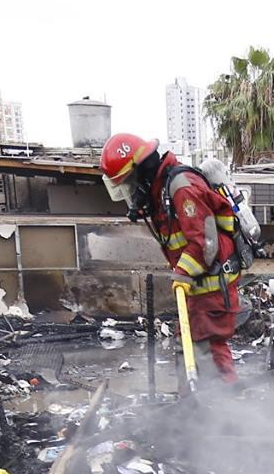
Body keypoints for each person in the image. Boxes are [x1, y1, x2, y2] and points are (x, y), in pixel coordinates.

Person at [100, 133, 243, 384]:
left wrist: (183, 272)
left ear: (140, 171)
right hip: (198, 289)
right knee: (189, 349)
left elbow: (205, 243)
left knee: (208, 353)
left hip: (212, 288)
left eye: (129, 184)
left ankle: (224, 406)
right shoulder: (163, 191)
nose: (130, 192)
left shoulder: (182, 188)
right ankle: (192, 405)